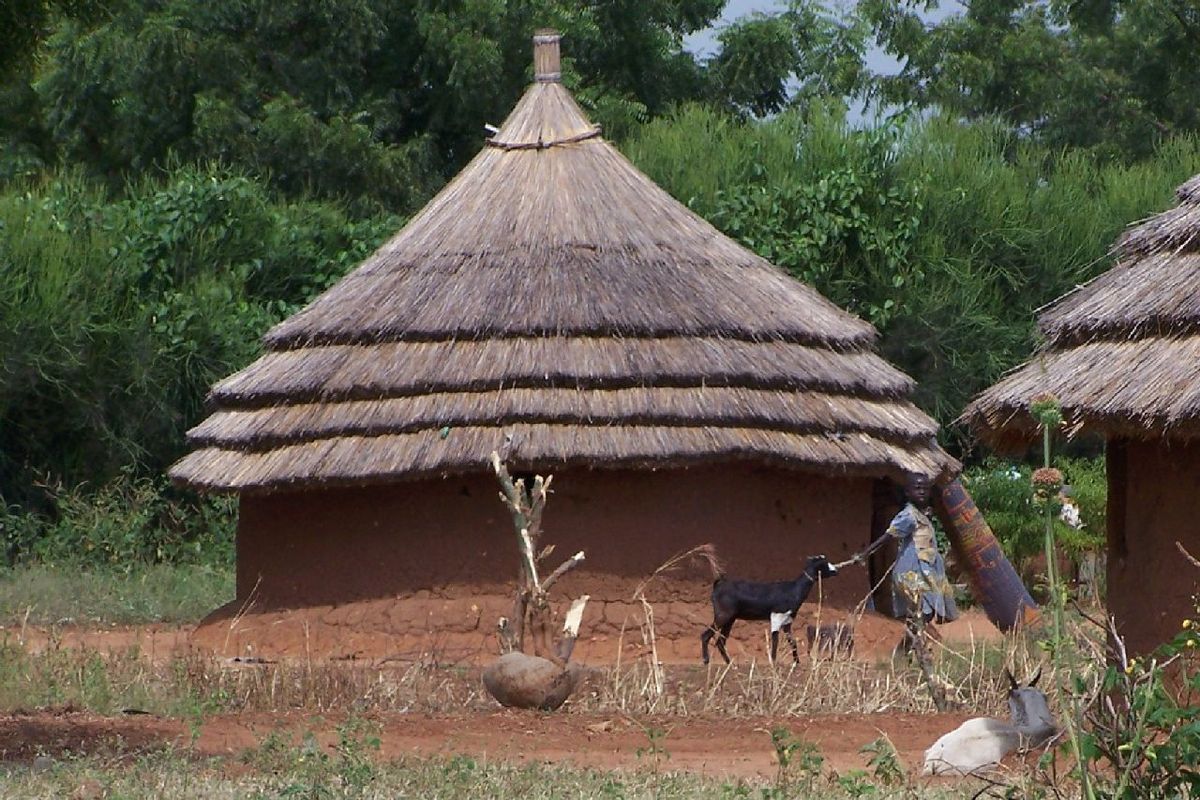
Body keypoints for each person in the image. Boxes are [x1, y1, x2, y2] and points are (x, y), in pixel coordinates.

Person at [888, 476, 958, 652]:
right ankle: (906, 651)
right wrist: (865, 553)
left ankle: (907, 651)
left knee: (926, 613)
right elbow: (889, 535)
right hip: (911, 571)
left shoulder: (922, 514)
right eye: (917, 488)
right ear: (907, 492)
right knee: (922, 613)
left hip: (926, 569)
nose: (921, 492)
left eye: (925, 489)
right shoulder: (908, 515)